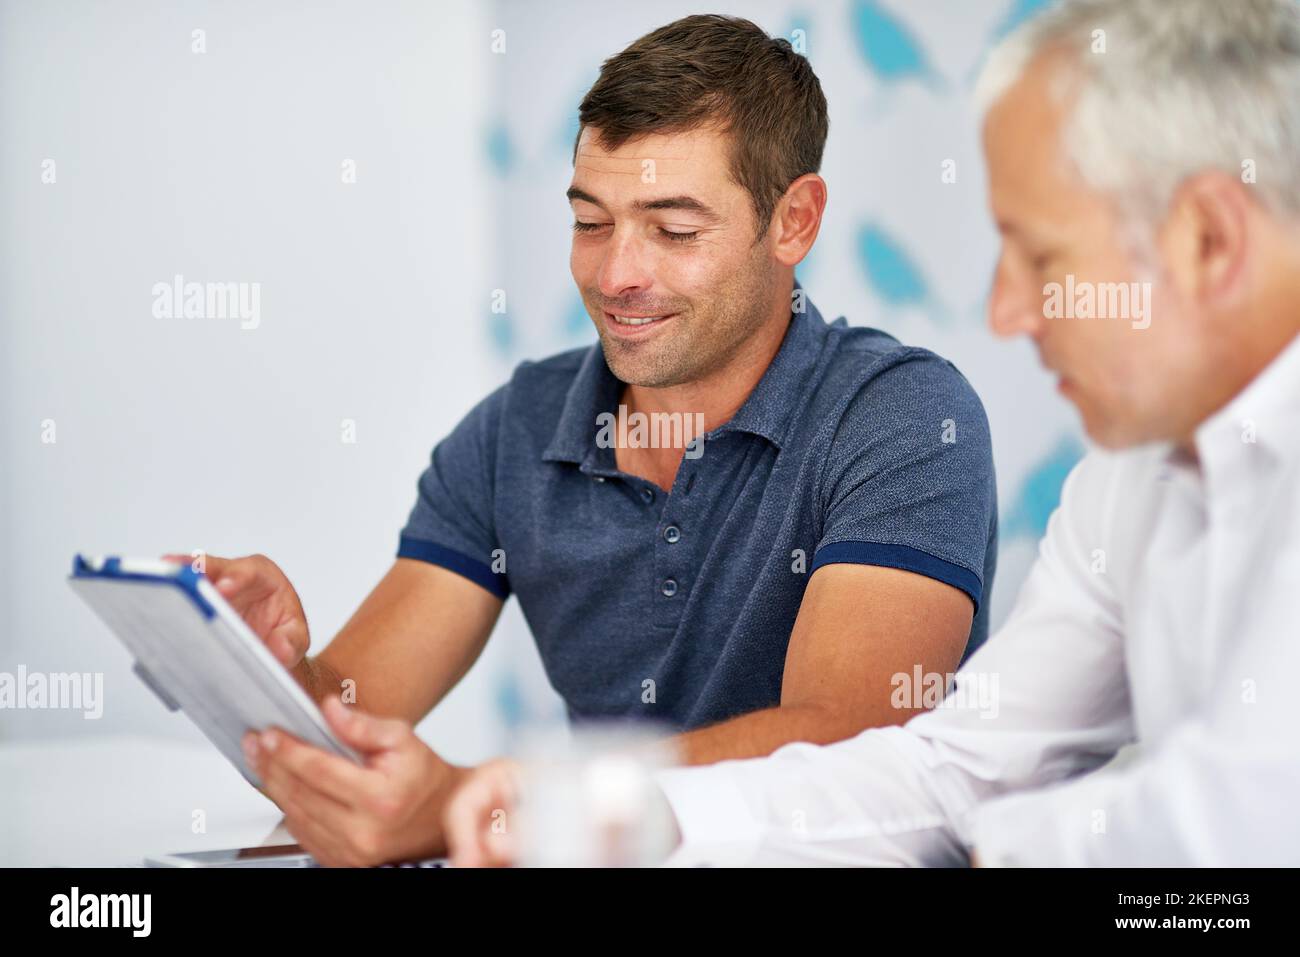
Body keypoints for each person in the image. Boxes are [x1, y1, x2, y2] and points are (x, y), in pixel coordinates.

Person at [446, 0, 1300, 867]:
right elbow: (956, 769)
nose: (1005, 312)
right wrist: (605, 809)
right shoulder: (1129, 482)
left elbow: (1234, 830)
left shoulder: (900, 409)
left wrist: (991, 847)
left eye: (1042, 258)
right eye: (591, 222)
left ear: (1208, 239)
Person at [184, 15, 998, 867]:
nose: (615, 277)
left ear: (793, 220)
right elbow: (347, 733)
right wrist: (261, 670)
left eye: (674, 230)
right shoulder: (519, 429)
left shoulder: (903, 416)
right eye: (590, 222)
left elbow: (846, 745)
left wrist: (505, 806)